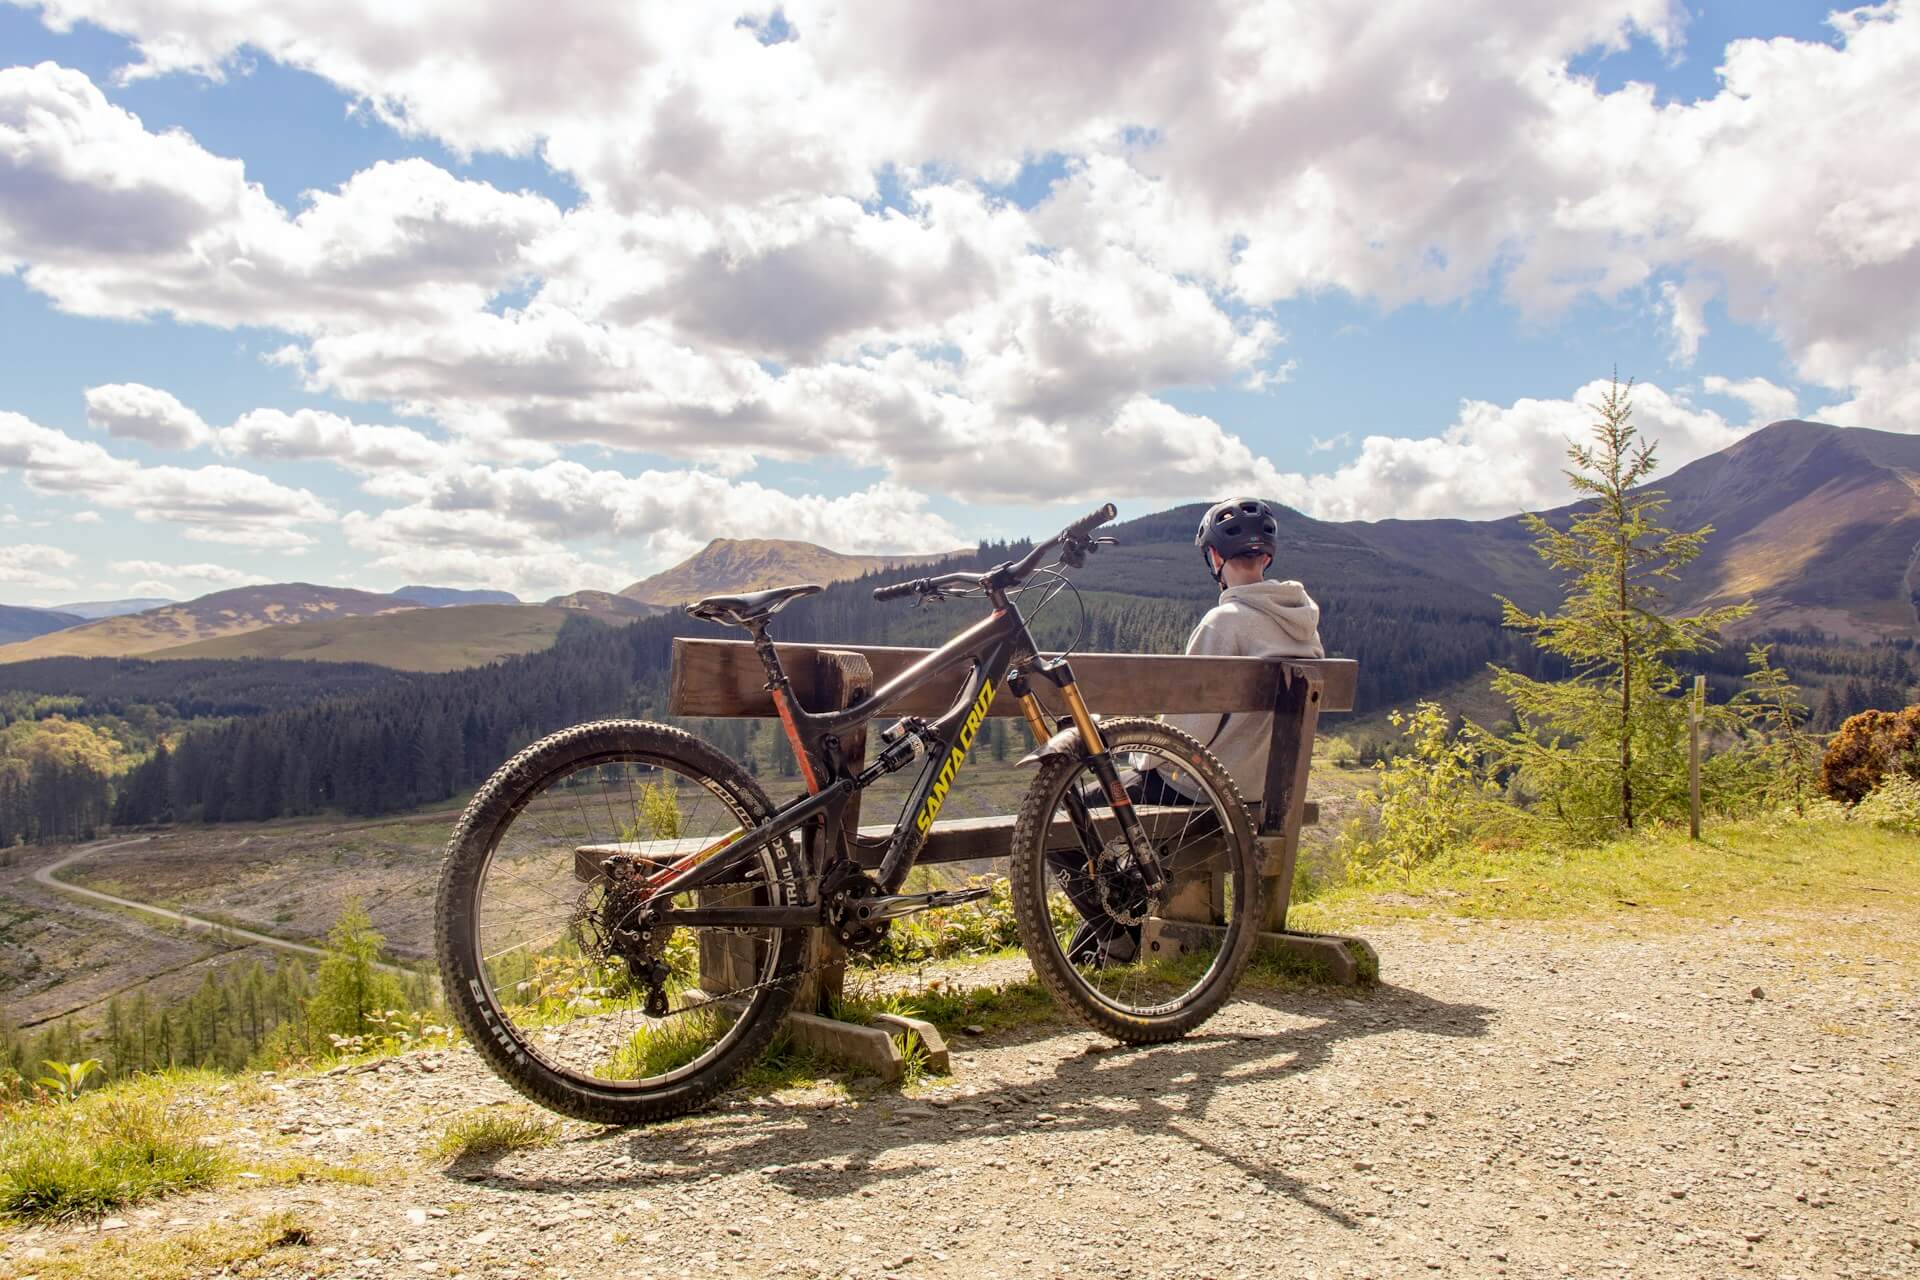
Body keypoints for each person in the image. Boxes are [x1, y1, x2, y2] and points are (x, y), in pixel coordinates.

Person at [1054, 496, 1325, 965]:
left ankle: (1117, 939)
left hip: (1203, 790)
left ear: (1214, 558)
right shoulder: (1304, 626)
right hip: (1268, 794)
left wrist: (1136, 761)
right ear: (1267, 557)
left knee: (1061, 820)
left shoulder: (1224, 622)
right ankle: (1114, 932)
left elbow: (1181, 733)